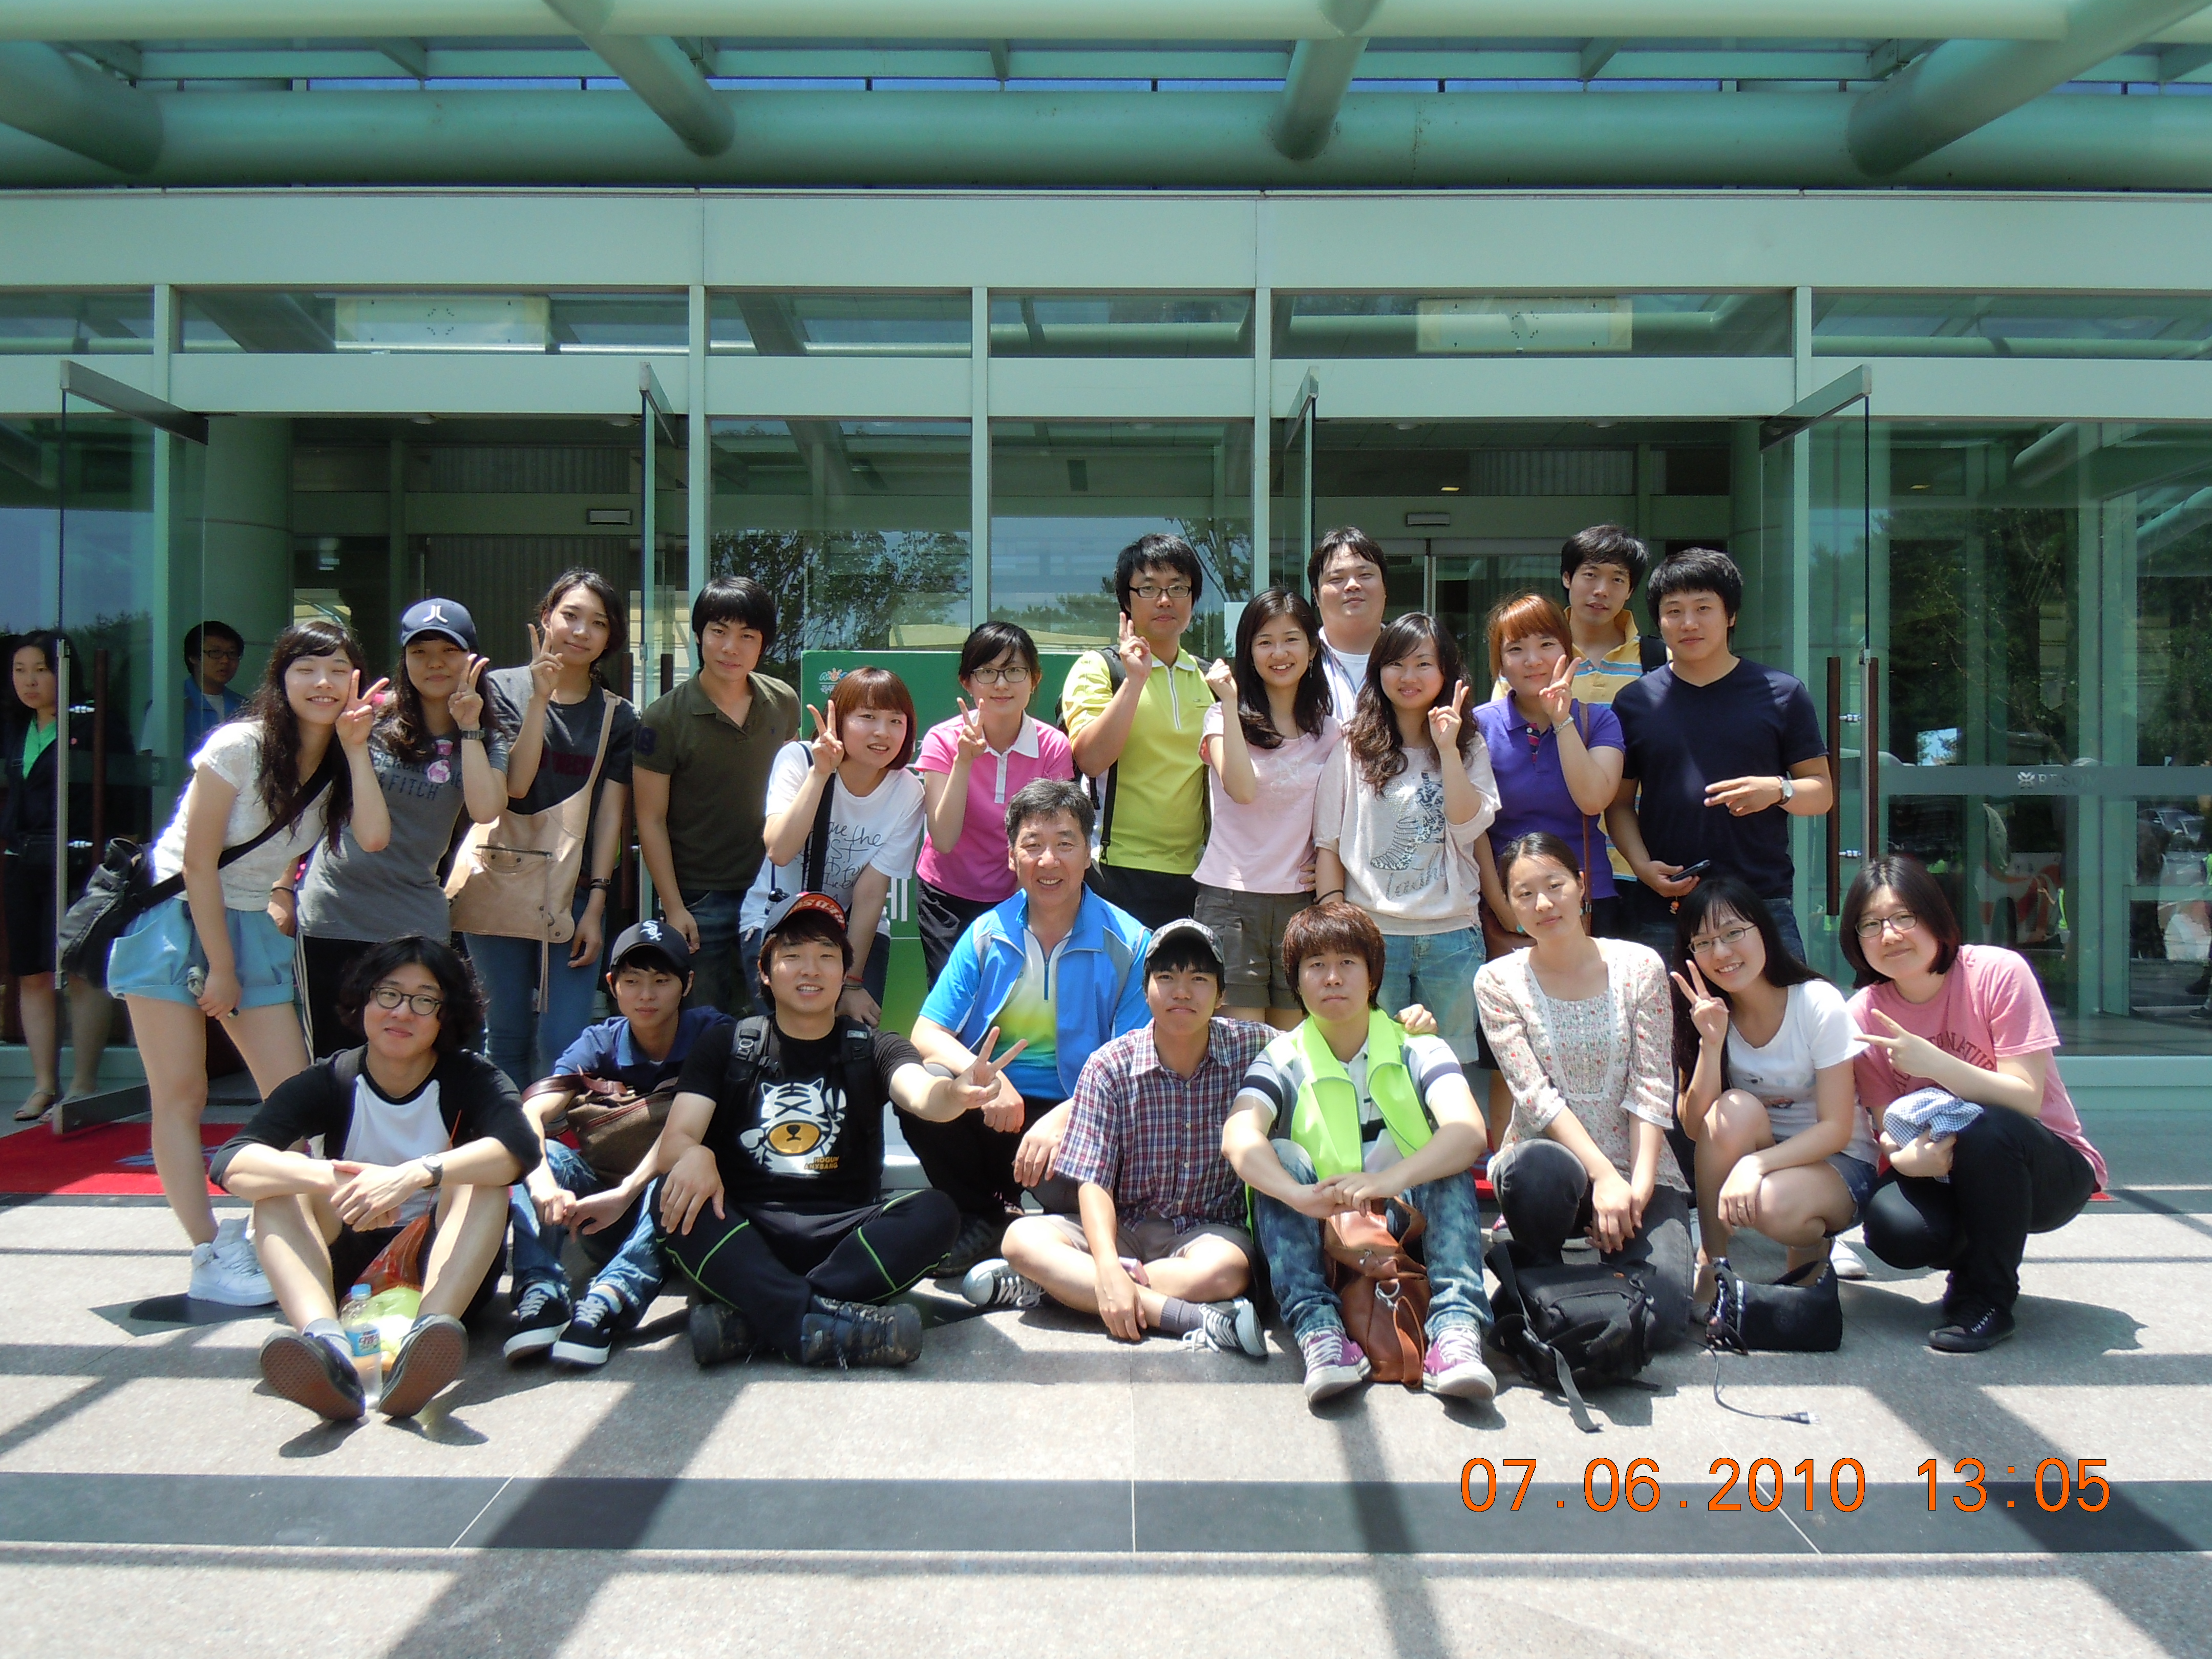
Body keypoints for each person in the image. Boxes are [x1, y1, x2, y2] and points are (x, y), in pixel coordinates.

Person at [107, 620, 389, 1306]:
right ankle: (208, 1251)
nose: (322, 683)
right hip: (175, 914)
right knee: (181, 1095)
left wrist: (356, 749)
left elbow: (375, 837)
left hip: (249, 923)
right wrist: (221, 965)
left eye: (337, 670)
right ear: (281, 678)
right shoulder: (239, 745)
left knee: (294, 1098)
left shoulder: (340, 759)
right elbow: (198, 862)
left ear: (356, 681)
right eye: (306, 669)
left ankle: (311, 1243)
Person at [655, 892, 994, 1371]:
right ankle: (819, 1322)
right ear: (766, 972)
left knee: (936, 1212)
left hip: (844, 1237)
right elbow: (676, 1140)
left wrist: (954, 1093)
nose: (810, 970)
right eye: (793, 955)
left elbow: (921, 1094)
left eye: (826, 956)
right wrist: (696, 1155)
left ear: (845, 972)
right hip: (749, 1231)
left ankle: (760, 1320)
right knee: (668, 1197)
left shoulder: (874, 1047)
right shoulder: (727, 1044)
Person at [210, 937, 536, 1422]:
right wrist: (331, 1178)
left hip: (443, 1269)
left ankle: (424, 1343)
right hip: (349, 1271)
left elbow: (519, 1149)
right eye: (388, 994)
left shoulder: (471, 1078)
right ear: (365, 999)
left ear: (446, 1015)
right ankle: (329, 1348)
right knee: (278, 1187)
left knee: (482, 1182)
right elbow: (231, 1161)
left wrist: (413, 1175)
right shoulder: (333, 1079)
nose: (402, 1012)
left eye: (424, 1000)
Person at [1224, 901, 1495, 1407]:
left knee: (1449, 1158)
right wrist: (1297, 1195)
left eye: (1348, 962)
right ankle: (1319, 1332)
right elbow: (1239, 1135)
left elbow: (1469, 1131)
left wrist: (1389, 1182)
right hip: (1324, 1230)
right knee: (1278, 1155)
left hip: (1406, 1225)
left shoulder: (1418, 1046)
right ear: (1296, 982)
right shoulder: (1281, 1056)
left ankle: (1457, 1331)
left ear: (1372, 977)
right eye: (1316, 965)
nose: (1332, 977)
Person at [963, 919, 1267, 1356]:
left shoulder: (1253, 1048)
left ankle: (1057, 1288)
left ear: (1221, 995)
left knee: (1226, 1272)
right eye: (1167, 977)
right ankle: (1193, 1319)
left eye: (1199, 979)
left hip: (1207, 1233)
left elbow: (1317, 1045)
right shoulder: (1110, 1065)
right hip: (1124, 1227)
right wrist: (1106, 1262)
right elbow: (1094, 1182)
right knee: (1020, 1240)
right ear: (1146, 990)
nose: (1182, 992)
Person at [1843, 855, 2107, 1353]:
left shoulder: (1997, 973)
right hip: (1941, 1168)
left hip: (2043, 1168)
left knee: (1987, 1129)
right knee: (1895, 1228)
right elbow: (1885, 1123)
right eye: (1871, 924)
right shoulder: (1864, 1014)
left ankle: (1986, 1300)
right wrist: (1906, 1159)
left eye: (1903, 917)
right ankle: (1973, 1255)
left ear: (1935, 915)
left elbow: (2025, 1097)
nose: (1889, 935)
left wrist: (1935, 1063)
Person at [908, 778, 1151, 1278]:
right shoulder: (987, 933)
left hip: (1081, 1115)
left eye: (1065, 843)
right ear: (1012, 857)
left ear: (1088, 853)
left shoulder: (1130, 942)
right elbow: (926, 1033)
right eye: (1033, 845)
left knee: (1091, 1173)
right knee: (926, 1081)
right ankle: (982, 1216)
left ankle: (1075, 1234)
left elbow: (1134, 1062)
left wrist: (1068, 1117)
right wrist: (985, 1079)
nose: (1049, 861)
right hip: (997, 1107)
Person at [1476, 832, 1693, 1344]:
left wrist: (1636, 1190)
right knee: (1535, 1170)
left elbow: (1653, 1084)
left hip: (1637, 1168)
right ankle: (1543, 1267)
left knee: (1663, 1320)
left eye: (1555, 885)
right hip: (1552, 1169)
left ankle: (1566, 1294)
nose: (1543, 904)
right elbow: (1535, 1096)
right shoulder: (1497, 981)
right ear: (1510, 906)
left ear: (1581, 884)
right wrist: (1602, 1176)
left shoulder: (1640, 966)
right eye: (1525, 893)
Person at [505, 919, 732, 1368]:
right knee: (546, 1155)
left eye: (661, 981)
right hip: (599, 1219)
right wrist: (544, 1183)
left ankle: (610, 1298)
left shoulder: (715, 1033)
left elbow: (687, 1137)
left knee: (683, 1164)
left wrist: (628, 1191)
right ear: (612, 985)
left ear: (687, 985)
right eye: (632, 982)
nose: (646, 995)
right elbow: (530, 1115)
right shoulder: (599, 1042)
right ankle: (541, 1292)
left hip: (681, 1216)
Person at [298, 600, 508, 1058]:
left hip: (414, 918)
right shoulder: (368, 717)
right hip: (334, 911)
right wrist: (281, 888)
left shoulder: (485, 736)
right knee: (334, 1062)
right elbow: (307, 807)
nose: (435, 663)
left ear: (471, 659)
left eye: (449, 651)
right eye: (420, 652)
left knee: (415, 1056)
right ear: (404, 660)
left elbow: (486, 809)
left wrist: (469, 728)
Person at [1605, 547, 1833, 962]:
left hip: (1761, 903)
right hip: (1668, 907)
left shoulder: (1781, 693)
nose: (1688, 623)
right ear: (1659, 620)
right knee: (1670, 1007)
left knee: (1781, 1006)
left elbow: (1821, 792)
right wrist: (1642, 867)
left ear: (1731, 616)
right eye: (1674, 611)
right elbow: (1619, 804)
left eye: (1703, 608)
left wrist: (1777, 790)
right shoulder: (1635, 702)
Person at [1670, 873, 1878, 1303]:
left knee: (1774, 1205)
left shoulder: (1816, 1002)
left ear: (1764, 931)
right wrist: (1711, 1044)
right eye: (1703, 942)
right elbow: (1695, 1128)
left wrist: (1756, 1165)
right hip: (1768, 1154)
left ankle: (1810, 1257)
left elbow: (1837, 1129)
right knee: (1733, 1108)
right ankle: (1712, 1265)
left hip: (1840, 1164)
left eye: (1733, 933)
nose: (1721, 953)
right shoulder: (1706, 1013)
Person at [1313, 611, 1499, 1069]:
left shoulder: (1470, 746)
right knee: (1373, 1064)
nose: (1408, 677)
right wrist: (1339, 928)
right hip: (1373, 935)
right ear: (1379, 670)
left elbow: (1468, 826)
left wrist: (1448, 749)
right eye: (1396, 664)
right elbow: (1328, 844)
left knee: (1449, 1068)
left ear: (1446, 672)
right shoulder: (1353, 747)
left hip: (1451, 935)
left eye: (1423, 664)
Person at [476, 570, 636, 1084]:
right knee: (505, 1034)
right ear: (547, 617)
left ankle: (552, 1134)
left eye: (599, 623)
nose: (582, 632)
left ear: (610, 638)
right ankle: (505, 1135)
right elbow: (514, 786)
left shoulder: (618, 716)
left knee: (564, 1041)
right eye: (571, 615)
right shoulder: (499, 689)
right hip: (499, 878)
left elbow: (610, 814)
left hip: (572, 891)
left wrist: (597, 905)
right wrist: (539, 699)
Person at [634, 576, 800, 1017]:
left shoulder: (782, 702)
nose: (731, 648)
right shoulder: (663, 718)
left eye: (748, 636)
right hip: (698, 897)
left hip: (769, 890)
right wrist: (674, 907)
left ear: (763, 644)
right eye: (719, 631)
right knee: (703, 1024)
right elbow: (649, 819)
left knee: (772, 1019)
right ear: (699, 635)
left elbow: (791, 793)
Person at [741, 666, 924, 1024]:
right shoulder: (799, 759)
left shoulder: (908, 791)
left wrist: (852, 982)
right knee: (791, 1035)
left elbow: (871, 892)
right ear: (838, 719)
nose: (882, 732)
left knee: (850, 1040)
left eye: (895, 721)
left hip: (852, 933)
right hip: (777, 920)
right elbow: (780, 850)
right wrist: (820, 773)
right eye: (867, 717)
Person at [1194, 588, 1339, 1028]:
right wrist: (1229, 703)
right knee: (1244, 1044)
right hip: (1231, 901)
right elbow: (1241, 789)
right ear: (1248, 652)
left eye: (1291, 639)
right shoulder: (1222, 719)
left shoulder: (1332, 733)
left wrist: (1330, 867)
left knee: (1293, 1048)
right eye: (1265, 642)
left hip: (1301, 904)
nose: (1279, 653)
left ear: (1312, 649)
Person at [1062, 532, 1217, 929]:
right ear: (1127, 600)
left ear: (1194, 598)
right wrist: (1134, 682)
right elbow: (1091, 759)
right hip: (1113, 870)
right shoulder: (1100, 668)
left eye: (1178, 588)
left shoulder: (1209, 679)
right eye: (1148, 588)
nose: (1165, 600)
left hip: (1196, 873)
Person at [914, 622, 1076, 982]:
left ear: (1035, 679)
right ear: (967, 682)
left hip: (1020, 894)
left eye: (1014, 671)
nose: (1001, 684)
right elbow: (943, 839)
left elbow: (1048, 839)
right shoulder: (943, 739)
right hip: (946, 896)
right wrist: (964, 760)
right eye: (987, 672)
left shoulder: (1053, 747)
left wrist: (1020, 910)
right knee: (956, 1000)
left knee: (1009, 998)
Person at [4, 632, 115, 1121]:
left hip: (77, 857)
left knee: (81, 968)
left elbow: (121, 793)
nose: (29, 681)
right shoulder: (14, 726)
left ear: (64, 672)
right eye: (20, 671)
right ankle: (43, 1085)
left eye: (41, 670)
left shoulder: (93, 724)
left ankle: (83, 1083)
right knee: (32, 973)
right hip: (23, 860)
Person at [1473, 592, 1626, 940]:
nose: (1533, 661)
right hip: (1507, 901)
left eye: (1546, 645)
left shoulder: (1598, 721)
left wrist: (1562, 720)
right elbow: (1473, 828)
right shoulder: (1478, 726)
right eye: (1516, 649)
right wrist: (1501, 904)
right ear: (1500, 663)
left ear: (1567, 652)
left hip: (1587, 898)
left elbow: (1593, 800)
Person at [1309, 527, 1389, 723]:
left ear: (1385, 587)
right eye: (1336, 579)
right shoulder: (1297, 663)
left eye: (1365, 575)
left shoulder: (1411, 657)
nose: (1353, 585)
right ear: (1316, 596)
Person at [137, 620, 247, 758]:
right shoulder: (170, 704)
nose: (225, 661)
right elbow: (150, 759)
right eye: (215, 652)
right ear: (193, 657)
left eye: (232, 653)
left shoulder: (244, 706)